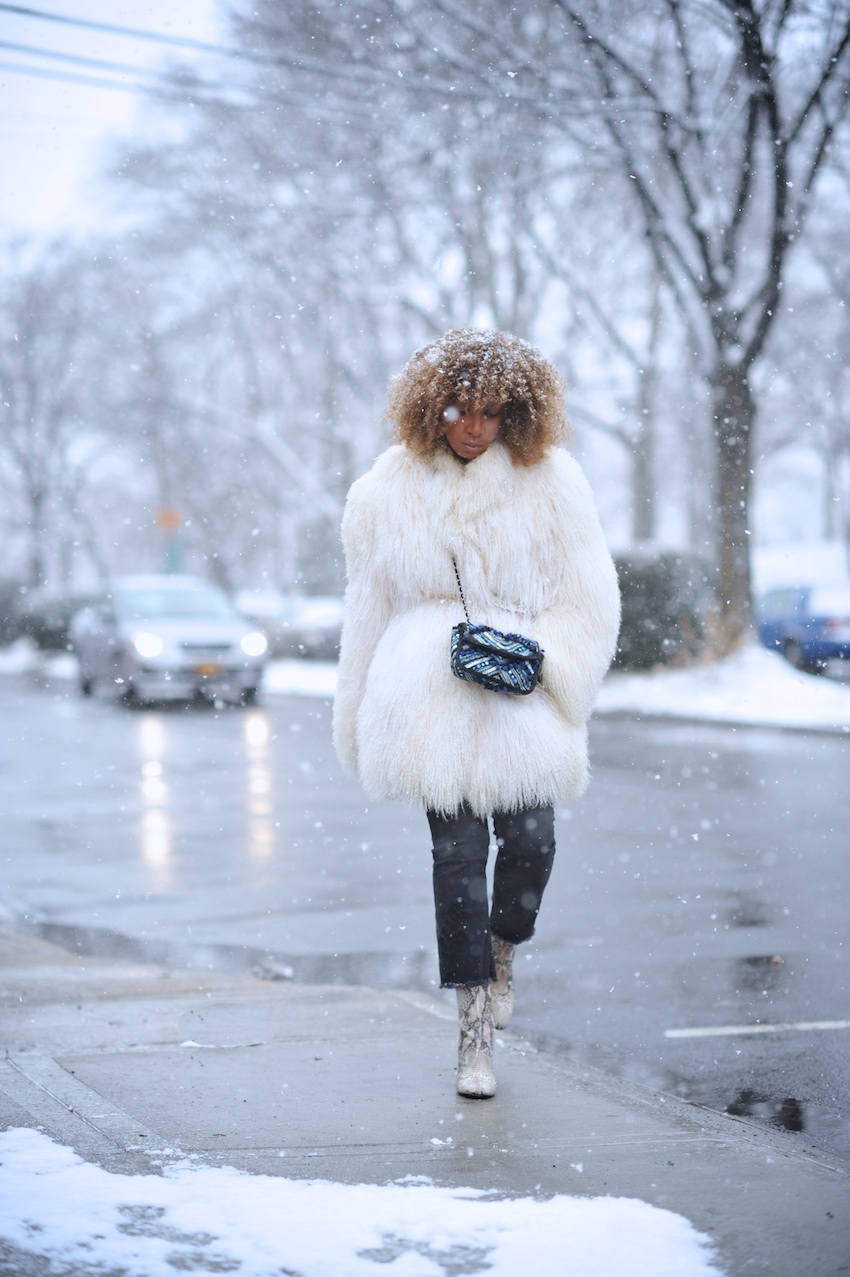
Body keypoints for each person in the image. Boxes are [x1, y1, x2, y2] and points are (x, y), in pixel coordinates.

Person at [333, 328, 620, 1098]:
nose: (475, 426)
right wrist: (356, 707)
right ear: (433, 405)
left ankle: (503, 948)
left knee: (532, 841)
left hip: (517, 689)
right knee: (455, 860)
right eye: (462, 407)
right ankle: (472, 1031)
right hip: (423, 699)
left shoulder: (553, 482)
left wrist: (554, 670)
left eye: (494, 412)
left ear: (516, 414)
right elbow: (368, 610)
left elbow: (589, 597)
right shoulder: (383, 491)